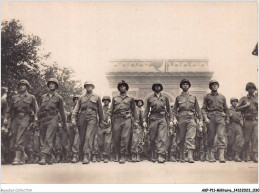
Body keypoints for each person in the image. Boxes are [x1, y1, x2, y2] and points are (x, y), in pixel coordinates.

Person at [5, 79, 39, 165]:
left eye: (23, 85)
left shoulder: (31, 97)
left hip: (25, 117)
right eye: (20, 85)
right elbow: (9, 110)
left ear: (27, 87)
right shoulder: (14, 97)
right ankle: (23, 155)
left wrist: (35, 119)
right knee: (13, 136)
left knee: (20, 137)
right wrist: (6, 118)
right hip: (15, 118)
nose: (21, 86)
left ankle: (17, 158)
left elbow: (36, 110)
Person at [72, 81, 104, 164]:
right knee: (81, 136)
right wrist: (73, 118)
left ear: (92, 87)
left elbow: (100, 111)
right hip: (82, 116)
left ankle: (86, 154)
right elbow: (76, 108)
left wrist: (101, 121)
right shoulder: (81, 97)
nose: (88, 87)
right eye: (87, 86)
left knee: (88, 136)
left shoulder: (97, 97)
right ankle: (80, 154)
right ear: (85, 87)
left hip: (92, 117)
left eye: (90, 86)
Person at [172, 79, 203, 163]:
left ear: (189, 86)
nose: (185, 85)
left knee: (191, 137)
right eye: (183, 84)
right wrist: (174, 119)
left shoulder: (193, 97)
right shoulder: (178, 97)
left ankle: (190, 157)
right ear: (181, 86)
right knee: (181, 138)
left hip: (191, 118)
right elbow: (174, 110)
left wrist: (200, 121)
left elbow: (198, 110)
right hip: (181, 118)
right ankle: (182, 155)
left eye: (186, 84)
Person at [38, 78, 67, 165]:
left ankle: (43, 156)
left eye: (53, 84)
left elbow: (62, 112)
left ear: (56, 86)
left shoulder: (59, 98)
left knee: (48, 137)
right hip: (44, 118)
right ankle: (49, 156)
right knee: (43, 137)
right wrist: (37, 120)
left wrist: (64, 124)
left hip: (53, 118)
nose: (51, 85)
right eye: (50, 84)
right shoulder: (43, 97)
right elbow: (39, 109)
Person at [107, 80, 138, 164]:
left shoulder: (130, 99)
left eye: (124, 86)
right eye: (120, 86)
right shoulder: (115, 98)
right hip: (117, 119)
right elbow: (111, 110)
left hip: (127, 119)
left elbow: (134, 110)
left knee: (125, 137)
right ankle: (117, 153)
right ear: (119, 88)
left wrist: (135, 121)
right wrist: (109, 118)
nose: (122, 87)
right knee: (116, 137)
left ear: (126, 88)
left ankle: (123, 155)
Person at [143, 82, 173, 163]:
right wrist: (144, 121)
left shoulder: (165, 98)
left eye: (158, 86)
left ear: (161, 88)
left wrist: (171, 121)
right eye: (155, 86)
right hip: (153, 118)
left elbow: (169, 110)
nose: (157, 87)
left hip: (162, 118)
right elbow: (146, 111)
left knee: (162, 137)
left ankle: (160, 155)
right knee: (152, 137)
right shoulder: (149, 98)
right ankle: (152, 154)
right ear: (153, 88)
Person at [202, 80, 230, 163]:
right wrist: (205, 118)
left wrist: (227, 118)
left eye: (216, 85)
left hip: (220, 117)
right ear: (210, 87)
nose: (214, 86)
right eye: (213, 85)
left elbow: (226, 109)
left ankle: (221, 156)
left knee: (221, 135)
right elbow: (203, 109)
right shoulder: (207, 97)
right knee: (211, 136)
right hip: (211, 117)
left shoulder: (222, 97)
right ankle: (211, 155)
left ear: (218, 86)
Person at [236, 82, 258, 163]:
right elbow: (237, 109)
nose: (251, 90)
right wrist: (245, 106)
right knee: (246, 139)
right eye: (249, 88)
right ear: (247, 90)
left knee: (256, 137)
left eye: (252, 88)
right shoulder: (244, 99)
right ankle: (246, 155)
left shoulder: (257, 98)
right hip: (247, 121)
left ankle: (255, 155)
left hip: (255, 120)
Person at [227, 97, 244, 162]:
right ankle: (229, 155)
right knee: (230, 141)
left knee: (239, 140)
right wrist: (228, 119)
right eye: (233, 101)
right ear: (231, 102)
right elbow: (227, 117)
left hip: (238, 126)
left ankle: (237, 156)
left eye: (236, 101)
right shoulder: (228, 110)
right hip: (231, 126)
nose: (235, 103)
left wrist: (241, 121)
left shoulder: (239, 110)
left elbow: (241, 117)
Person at [97, 96, 112, 163]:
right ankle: (100, 155)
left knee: (107, 142)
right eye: (104, 100)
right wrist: (100, 122)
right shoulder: (100, 109)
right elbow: (97, 116)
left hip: (108, 127)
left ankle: (106, 156)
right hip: (101, 126)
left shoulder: (111, 109)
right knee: (100, 142)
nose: (106, 101)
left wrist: (110, 119)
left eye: (107, 100)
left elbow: (112, 116)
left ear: (109, 101)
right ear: (103, 101)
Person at [69, 95, 80, 163]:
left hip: (80, 126)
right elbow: (68, 118)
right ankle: (69, 155)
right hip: (73, 126)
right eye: (75, 99)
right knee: (69, 138)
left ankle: (75, 155)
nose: (76, 100)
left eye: (77, 99)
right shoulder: (72, 109)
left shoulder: (81, 108)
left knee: (77, 137)